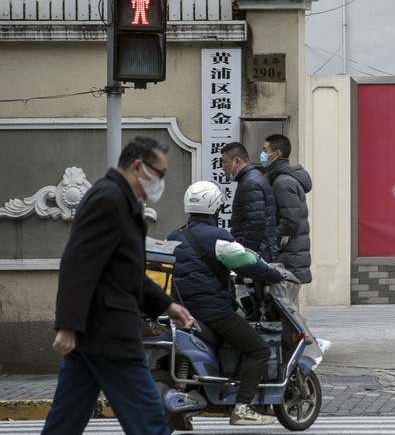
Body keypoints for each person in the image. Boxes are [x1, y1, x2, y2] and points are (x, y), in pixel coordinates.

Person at [42, 137, 194, 435]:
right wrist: (67, 325)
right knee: (149, 421)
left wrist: (166, 304)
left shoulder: (119, 199)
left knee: (65, 422)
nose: (161, 182)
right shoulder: (108, 198)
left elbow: (124, 272)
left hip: (94, 334)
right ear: (139, 166)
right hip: (110, 332)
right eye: (160, 173)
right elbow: (78, 263)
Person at [166, 181, 292, 426]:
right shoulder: (218, 237)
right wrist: (276, 274)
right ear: (215, 208)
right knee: (259, 349)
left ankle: (181, 415)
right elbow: (249, 263)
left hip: (180, 308)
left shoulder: (175, 235)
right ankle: (243, 407)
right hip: (212, 311)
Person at [261, 134, 313, 284]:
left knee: (283, 304)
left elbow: (291, 220)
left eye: (265, 150)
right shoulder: (279, 178)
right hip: (289, 254)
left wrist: (273, 242)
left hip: (289, 255)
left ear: (277, 154)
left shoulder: (283, 182)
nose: (262, 154)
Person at [221, 142, 277, 262]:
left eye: (225, 162)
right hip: (262, 248)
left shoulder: (249, 183)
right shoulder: (253, 177)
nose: (223, 167)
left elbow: (256, 223)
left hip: (258, 251)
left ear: (237, 161)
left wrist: (244, 253)